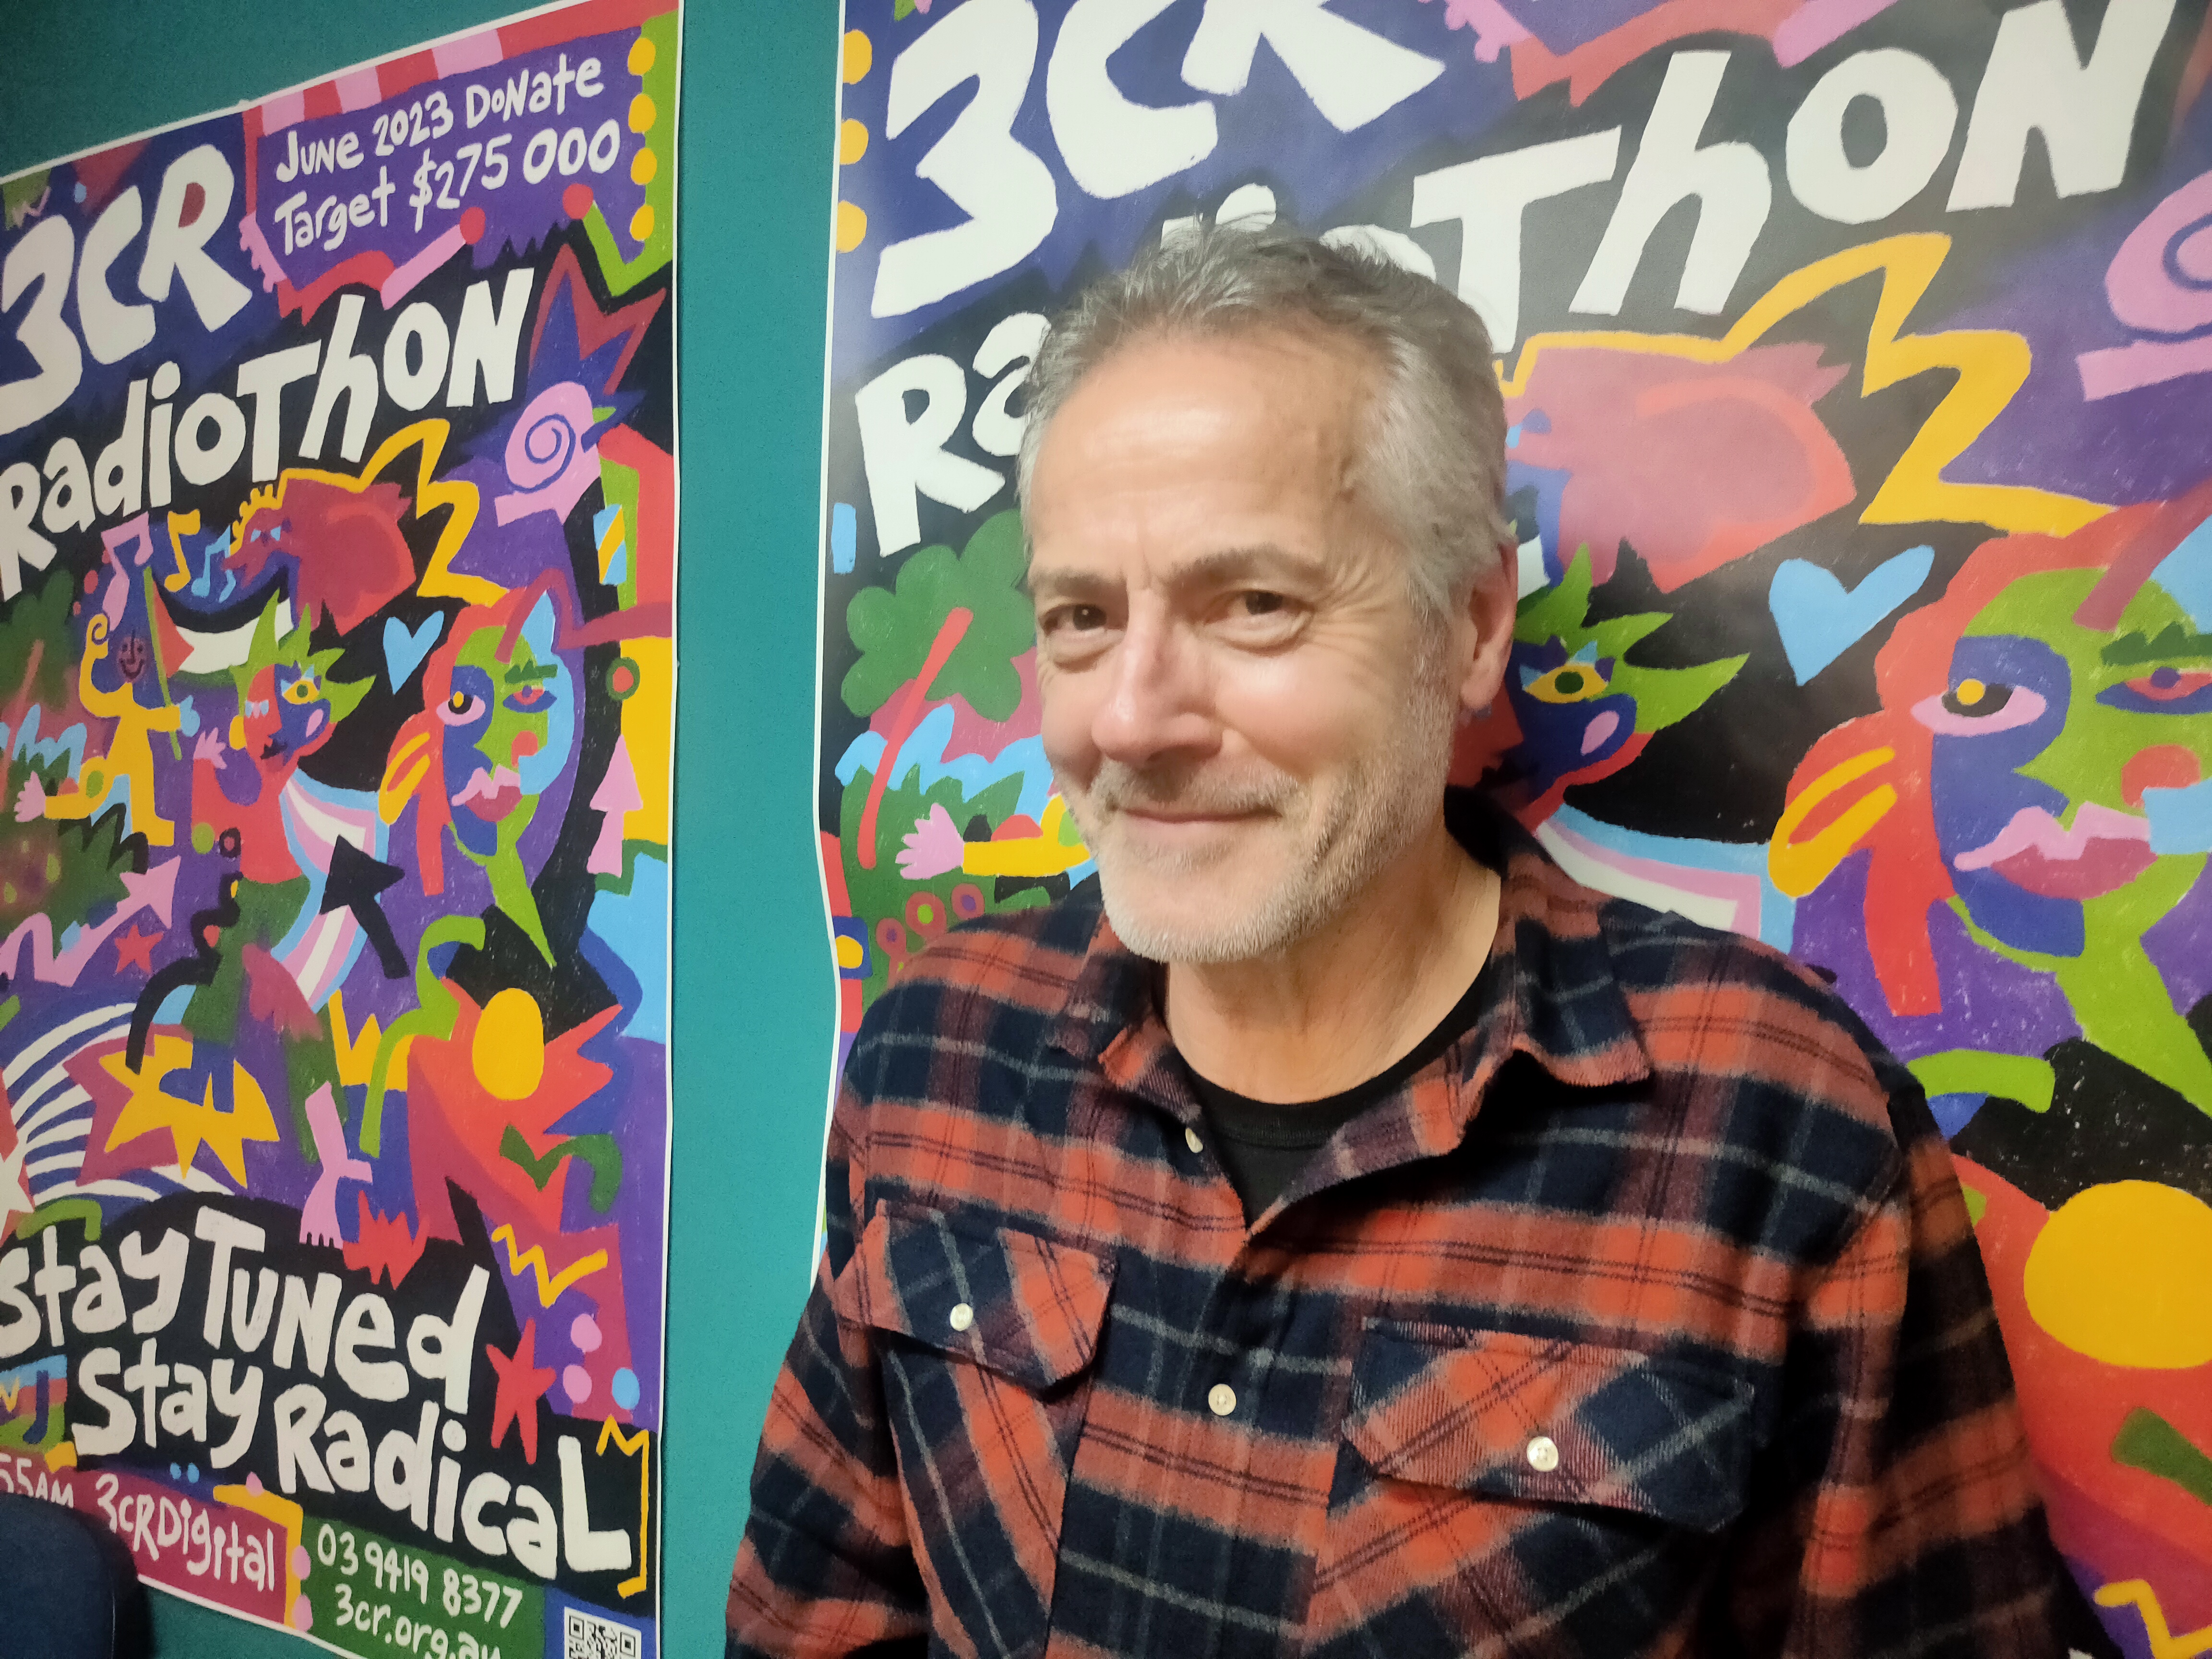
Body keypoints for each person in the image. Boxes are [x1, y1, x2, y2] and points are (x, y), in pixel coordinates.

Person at [727, 225, 2109, 1658]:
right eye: (1081, 617)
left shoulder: (1777, 1130)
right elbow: (815, 1614)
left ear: (1471, 625)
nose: (1130, 719)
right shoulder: (937, 1053)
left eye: (1253, 605)